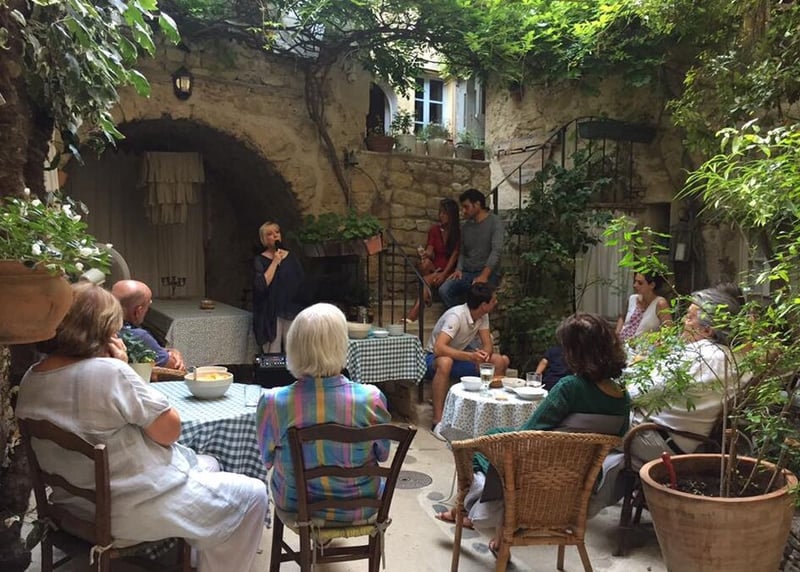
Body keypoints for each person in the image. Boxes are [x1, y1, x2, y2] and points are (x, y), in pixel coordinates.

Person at [16, 283, 268, 572]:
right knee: (253, 494)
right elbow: (169, 432)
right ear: (104, 332)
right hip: (127, 509)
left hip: (72, 505)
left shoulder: (31, 378)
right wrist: (123, 367)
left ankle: (196, 557)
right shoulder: (110, 372)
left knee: (208, 463)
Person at [434, 313, 631, 549]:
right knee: (498, 435)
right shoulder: (622, 397)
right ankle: (497, 531)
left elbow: (527, 434)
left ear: (574, 352)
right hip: (579, 483)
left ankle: (470, 512)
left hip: (537, 476)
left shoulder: (571, 388)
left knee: (485, 444)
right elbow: (616, 440)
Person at [589, 286, 742, 515]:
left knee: (585, 417)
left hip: (659, 441)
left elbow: (635, 393)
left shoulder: (697, 355)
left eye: (689, 318)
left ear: (707, 330)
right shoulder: (732, 358)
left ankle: (564, 495)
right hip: (683, 441)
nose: (683, 323)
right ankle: (589, 494)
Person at [255, 303, 391, 522]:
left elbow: (267, 459)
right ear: (341, 345)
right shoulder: (371, 399)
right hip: (361, 504)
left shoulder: (273, 402)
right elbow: (383, 454)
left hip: (297, 506)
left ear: (294, 346)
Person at [426, 283, 510, 433]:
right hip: (434, 357)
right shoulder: (456, 316)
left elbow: (487, 345)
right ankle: (437, 421)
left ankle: (491, 414)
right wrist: (470, 356)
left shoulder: (482, 315)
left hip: (460, 357)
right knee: (446, 362)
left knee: (499, 360)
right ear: (483, 305)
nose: (496, 302)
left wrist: (483, 356)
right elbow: (439, 348)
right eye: (493, 300)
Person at [438, 188, 504, 309]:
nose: (463, 211)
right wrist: (458, 269)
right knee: (444, 290)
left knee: (476, 295)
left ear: (477, 204)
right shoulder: (465, 227)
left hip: (487, 272)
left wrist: (484, 275)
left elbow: (496, 251)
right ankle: (463, 317)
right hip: (467, 272)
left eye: (466, 207)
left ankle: (471, 317)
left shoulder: (495, 223)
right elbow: (462, 252)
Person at [404, 198, 461, 322]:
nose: (441, 216)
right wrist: (425, 254)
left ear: (452, 215)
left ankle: (412, 316)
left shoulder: (458, 233)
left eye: (444, 213)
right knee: (424, 264)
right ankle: (428, 294)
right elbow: (430, 249)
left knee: (426, 279)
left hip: (450, 271)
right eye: (440, 212)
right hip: (436, 268)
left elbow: (455, 255)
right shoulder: (435, 230)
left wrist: (444, 274)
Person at [252, 221, 305, 353]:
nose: (275, 236)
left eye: (277, 232)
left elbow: (300, 282)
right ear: (264, 239)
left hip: (291, 309)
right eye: (270, 234)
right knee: (273, 351)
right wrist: (275, 262)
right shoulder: (259, 260)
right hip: (271, 312)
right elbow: (261, 285)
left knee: (293, 350)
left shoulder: (291, 257)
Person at [111, 279, 184, 370]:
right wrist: (174, 353)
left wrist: (169, 350)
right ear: (138, 311)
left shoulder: (100, 327)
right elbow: (174, 366)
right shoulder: (136, 335)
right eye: (147, 307)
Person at [616, 272, 671, 343]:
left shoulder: (660, 303)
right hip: (622, 343)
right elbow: (623, 317)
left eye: (640, 283)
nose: (635, 285)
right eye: (635, 281)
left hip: (642, 346)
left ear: (652, 285)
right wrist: (617, 332)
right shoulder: (632, 299)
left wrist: (654, 340)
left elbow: (668, 330)